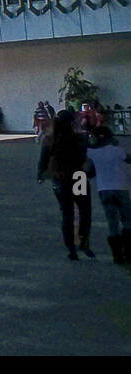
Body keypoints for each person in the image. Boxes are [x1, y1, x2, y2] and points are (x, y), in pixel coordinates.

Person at [37, 109, 94, 260]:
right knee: (84, 212)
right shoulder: (80, 138)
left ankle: (71, 249)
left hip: (60, 179)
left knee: (67, 214)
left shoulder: (50, 139)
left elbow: (43, 159)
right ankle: (83, 240)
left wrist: (40, 174)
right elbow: (88, 156)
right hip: (78, 177)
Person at [86, 125, 131, 263]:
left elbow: (89, 171)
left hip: (104, 189)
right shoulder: (118, 151)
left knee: (112, 221)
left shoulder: (92, 153)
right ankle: (128, 251)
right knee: (127, 220)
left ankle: (117, 255)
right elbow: (129, 158)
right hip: (121, 188)